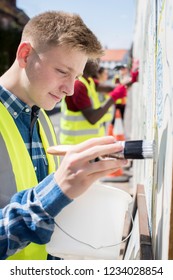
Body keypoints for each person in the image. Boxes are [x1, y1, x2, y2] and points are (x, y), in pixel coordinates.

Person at [0, 11, 128, 260]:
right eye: (62, 71)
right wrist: (56, 191)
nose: (70, 89)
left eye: (77, 77)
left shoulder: (43, 118)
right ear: (25, 55)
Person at [60, 60, 127, 145]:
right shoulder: (78, 85)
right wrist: (113, 97)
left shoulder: (89, 81)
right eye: (94, 59)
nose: (98, 63)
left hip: (87, 144)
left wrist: (130, 81)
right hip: (77, 145)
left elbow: (110, 88)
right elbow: (92, 118)